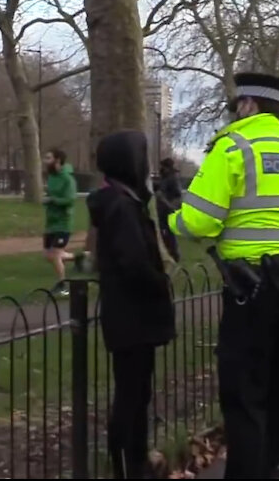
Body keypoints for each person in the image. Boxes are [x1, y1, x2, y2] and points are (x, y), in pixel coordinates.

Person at [168, 72, 279, 479]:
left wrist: (174, 219)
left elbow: (200, 221)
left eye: (238, 104)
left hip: (252, 292)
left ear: (248, 105)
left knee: (246, 398)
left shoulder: (234, 146)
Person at [87, 130, 176, 479]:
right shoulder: (122, 207)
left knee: (138, 392)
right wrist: (159, 281)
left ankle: (136, 458)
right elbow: (134, 261)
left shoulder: (123, 201)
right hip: (132, 314)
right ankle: (127, 463)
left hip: (132, 314)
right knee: (130, 395)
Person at [42, 148, 78, 297]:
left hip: (63, 223)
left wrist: (53, 200)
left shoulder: (68, 179)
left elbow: (70, 200)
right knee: (48, 255)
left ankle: (63, 286)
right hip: (51, 223)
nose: (45, 161)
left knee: (55, 254)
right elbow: (51, 195)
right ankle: (78, 257)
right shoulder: (51, 177)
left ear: (57, 160)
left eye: (48, 158)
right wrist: (46, 199)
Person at [154, 158, 183, 262]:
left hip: (168, 210)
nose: (161, 168)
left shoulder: (172, 178)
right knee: (163, 232)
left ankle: (175, 254)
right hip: (162, 210)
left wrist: (166, 202)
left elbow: (177, 196)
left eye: (162, 166)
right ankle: (168, 253)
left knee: (169, 233)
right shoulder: (164, 178)